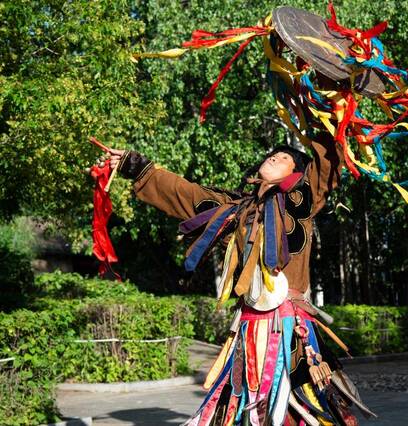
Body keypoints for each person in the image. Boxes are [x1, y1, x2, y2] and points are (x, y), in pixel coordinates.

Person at [106, 133, 374, 426]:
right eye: (272, 154)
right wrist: (135, 166)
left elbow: (326, 163)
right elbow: (187, 194)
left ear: (297, 173)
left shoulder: (301, 199)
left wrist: (329, 110)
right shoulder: (235, 210)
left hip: (289, 331)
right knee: (247, 408)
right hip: (247, 330)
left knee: (294, 408)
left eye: (285, 157)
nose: (274, 157)